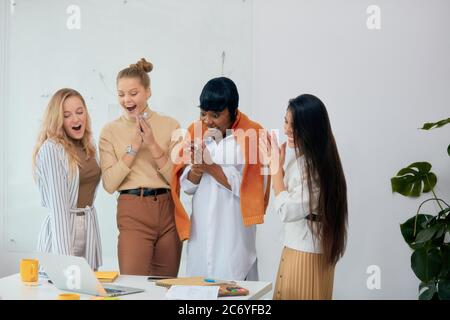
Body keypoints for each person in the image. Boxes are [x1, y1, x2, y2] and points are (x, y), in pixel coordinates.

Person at [171, 77, 271, 281]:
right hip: (201, 235)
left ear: (233, 111)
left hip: (233, 237)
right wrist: (197, 169)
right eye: (203, 113)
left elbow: (254, 189)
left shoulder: (254, 135)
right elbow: (187, 187)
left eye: (215, 115)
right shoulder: (195, 132)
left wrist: (211, 166)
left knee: (235, 297)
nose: (207, 120)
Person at [99, 58, 181, 276]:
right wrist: (133, 148)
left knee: (166, 286)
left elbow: (178, 180)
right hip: (132, 209)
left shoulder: (171, 125)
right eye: (121, 94)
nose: (127, 100)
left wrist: (152, 144)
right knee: (134, 288)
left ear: (148, 92)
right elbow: (109, 184)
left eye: (133, 93)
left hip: (168, 210)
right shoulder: (109, 131)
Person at [261, 94, 348, 299]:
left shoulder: (312, 167)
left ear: (311, 128)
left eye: (295, 125)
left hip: (304, 256)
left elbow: (286, 210)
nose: (287, 130)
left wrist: (275, 170)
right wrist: (279, 169)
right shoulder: (310, 159)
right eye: (286, 121)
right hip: (301, 250)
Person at [33, 88, 102, 270]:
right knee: (64, 294)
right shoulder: (52, 149)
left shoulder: (89, 145)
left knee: (88, 293)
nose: (76, 119)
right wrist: (66, 263)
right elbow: (58, 209)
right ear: (58, 119)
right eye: (67, 115)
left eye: (80, 112)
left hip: (87, 230)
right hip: (62, 234)